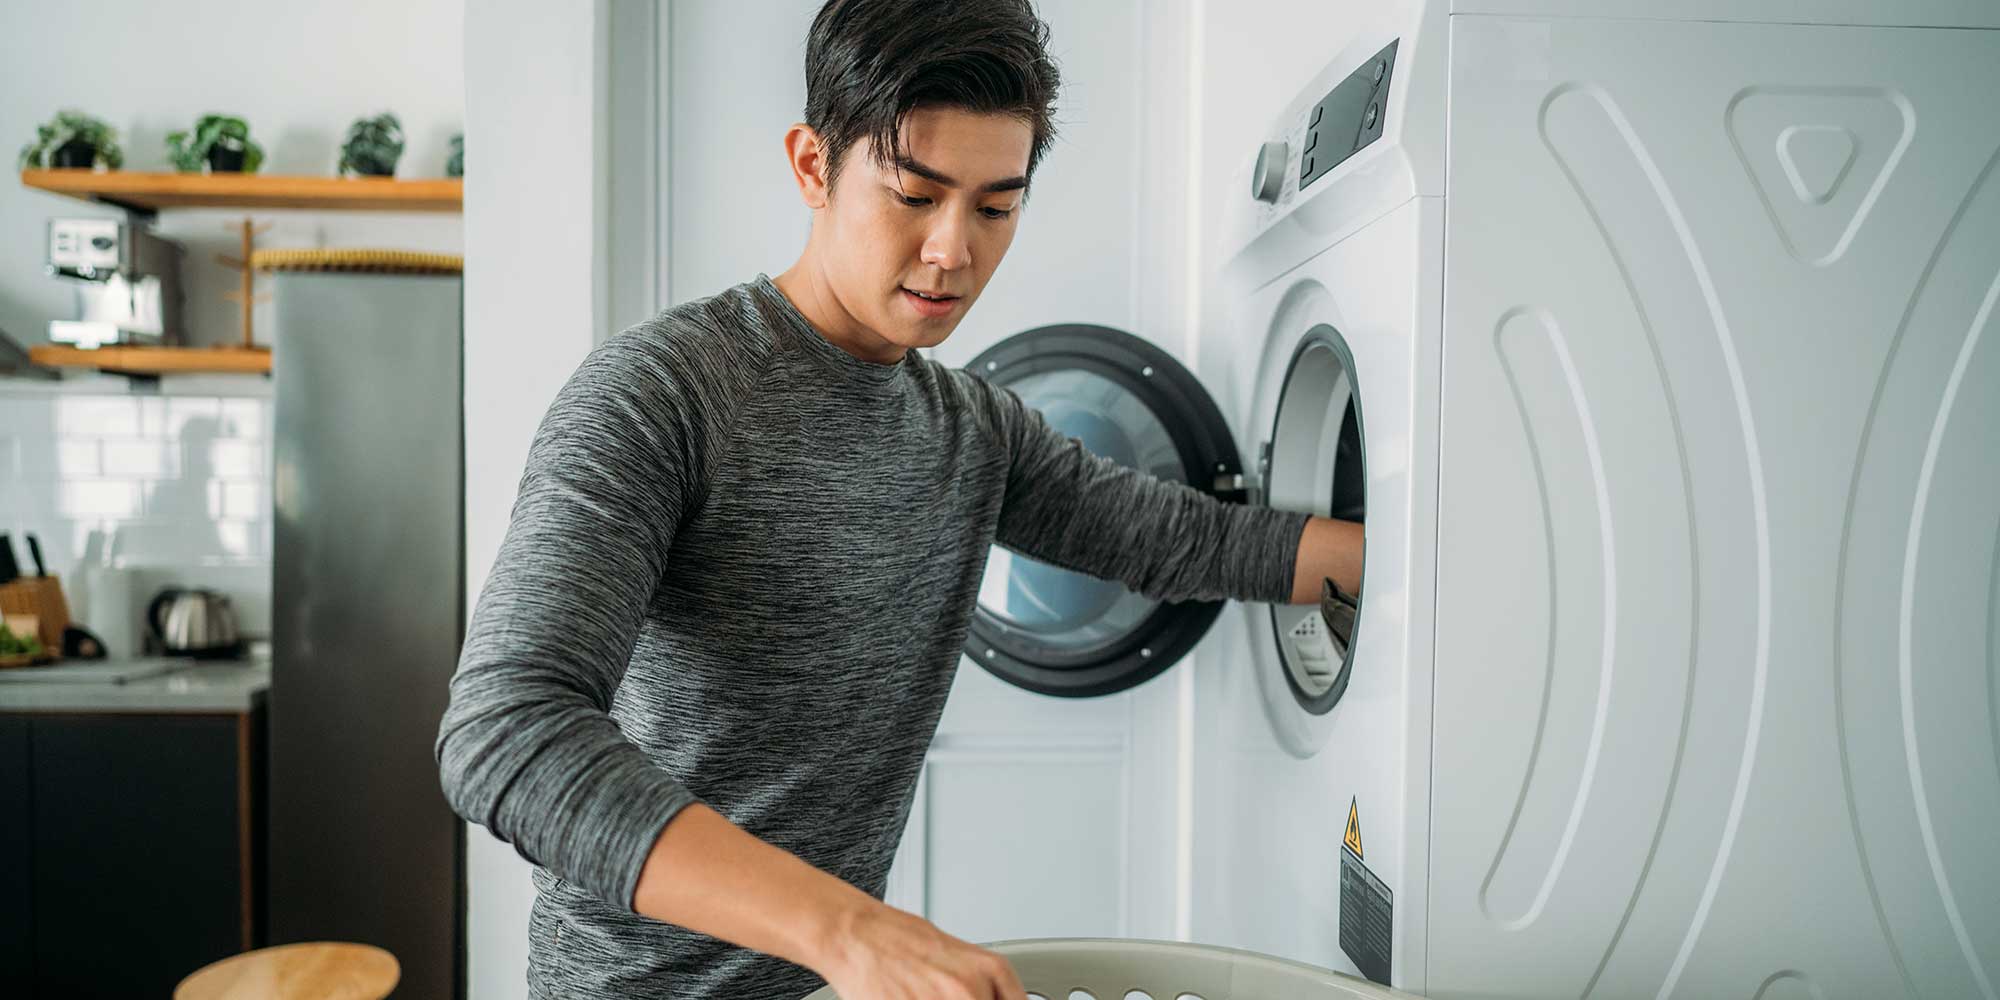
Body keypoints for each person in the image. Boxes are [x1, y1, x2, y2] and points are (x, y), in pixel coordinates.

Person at [434, 1, 1365, 997]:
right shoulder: (662, 392)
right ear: (810, 166)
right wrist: (847, 929)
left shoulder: (973, 429)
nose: (951, 250)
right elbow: (506, 733)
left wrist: (1434, 570)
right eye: (914, 196)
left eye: (993, 207)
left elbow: (1187, 542)